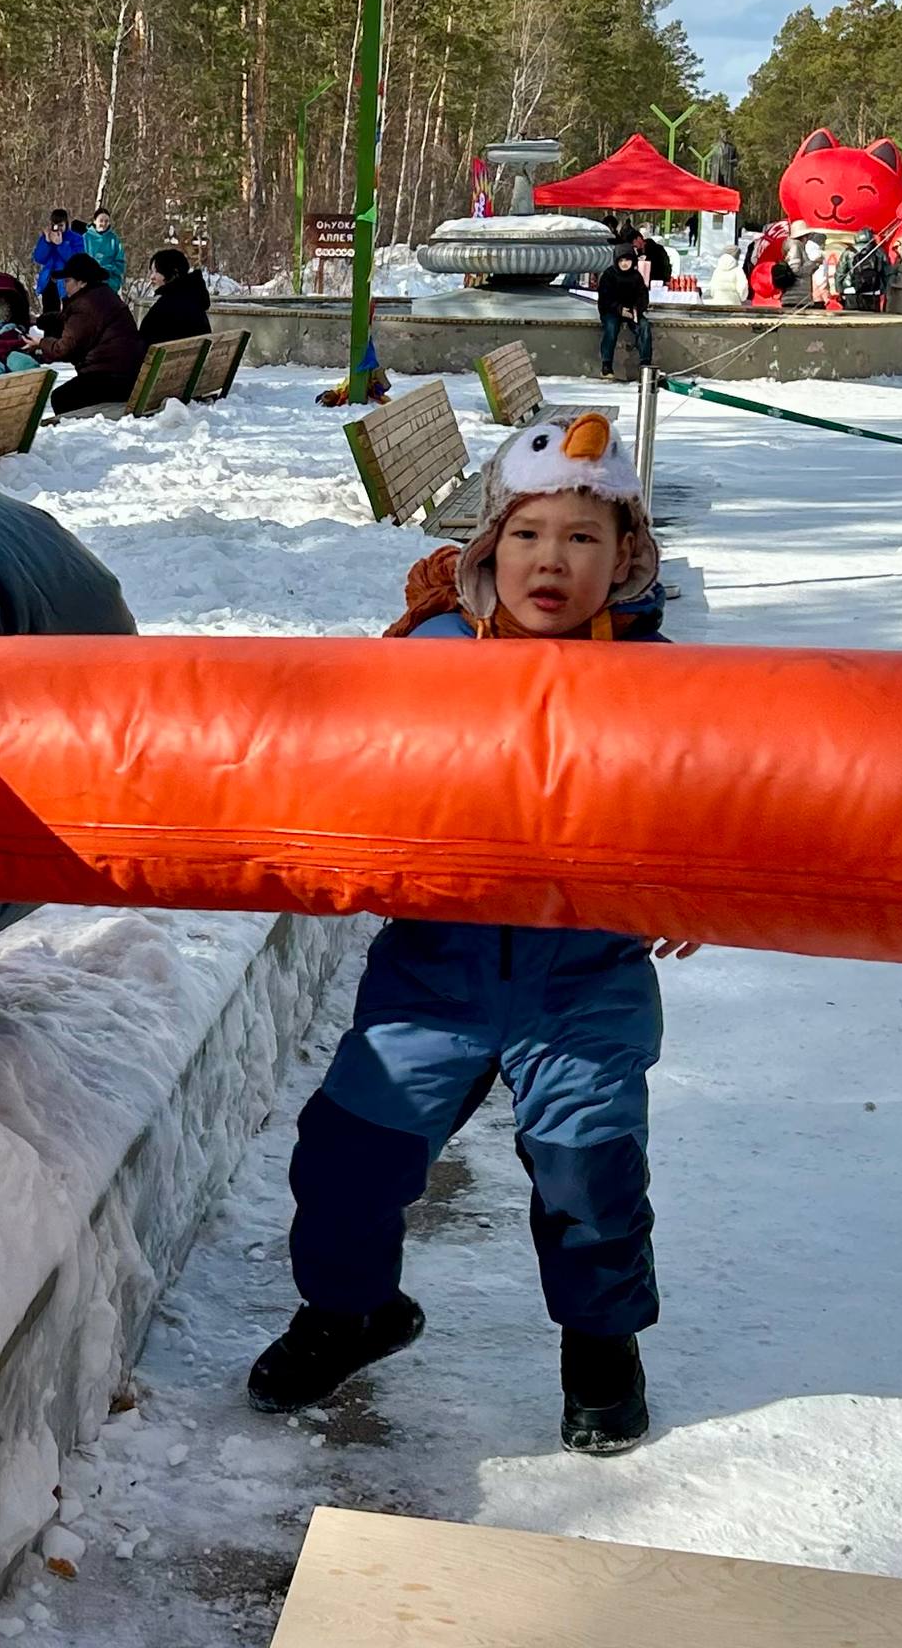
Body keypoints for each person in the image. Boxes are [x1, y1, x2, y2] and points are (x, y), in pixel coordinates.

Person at [247, 411, 690, 1457]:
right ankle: (351, 1311)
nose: (553, 561)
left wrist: (697, 886)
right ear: (492, 545)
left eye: (583, 539)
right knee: (348, 1156)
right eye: (530, 534)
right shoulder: (432, 655)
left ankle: (600, 1343)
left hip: (582, 975)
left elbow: (709, 796)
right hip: (434, 968)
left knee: (589, 1175)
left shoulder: (664, 678)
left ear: (623, 556)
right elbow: (353, 770)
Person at [40, 253, 145, 415]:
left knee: (61, 398)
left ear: (82, 282)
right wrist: (40, 321)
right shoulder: (103, 295)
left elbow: (63, 350)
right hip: (126, 374)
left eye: (67, 281)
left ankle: (77, 435)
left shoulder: (86, 305)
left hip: (111, 379)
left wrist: (40, 342)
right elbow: (73, 321)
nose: (65, 286)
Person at [595, 241, 652, 380]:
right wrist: (619, 309)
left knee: (644, 326)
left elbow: (643, 297)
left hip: (632, 311)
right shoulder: (609, 275)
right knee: (611, 328)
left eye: (627, 260)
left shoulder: (636, 276)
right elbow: (605, 298)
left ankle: (645, 364)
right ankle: (606, 365)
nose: (625, 263)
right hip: (611, 310)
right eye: (621, 260)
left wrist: (636, 310)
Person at [137, 247, 211, 348]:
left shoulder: (166, 307)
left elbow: (143, 342)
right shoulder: (195, 299)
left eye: (156, 272)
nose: (152, 277)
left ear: (172, 273)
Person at [32, 210, 86, 337]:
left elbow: (75, 259)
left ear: (66, 224)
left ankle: (63, 343)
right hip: (49, 281)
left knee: (65, 316)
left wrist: (61, 245)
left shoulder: (75, 238)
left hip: (67, 282)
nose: (58, 229)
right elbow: (39, 258)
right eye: (55, 225)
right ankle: (48, 343)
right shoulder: (47, 238)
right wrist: (47, 242)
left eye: (61, 226)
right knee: (49, 315)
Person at [83, 207, 126, 303]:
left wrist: (108, 269)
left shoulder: (114, 239)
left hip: (109, 281)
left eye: (106, 221)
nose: (103, 224)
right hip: (89, 281)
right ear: (95, 221)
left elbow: (120, 262)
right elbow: (79, 259)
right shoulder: (85, 238)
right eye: (101, 220)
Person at [839, 233, 889, 314]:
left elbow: (840, 272)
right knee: (871, 321)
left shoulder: (848, 251)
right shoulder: (879, 251)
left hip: (851, 290)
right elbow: (885, 272)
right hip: (873, 291)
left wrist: (840, 290)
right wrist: (883, 289)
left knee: (851, 319)